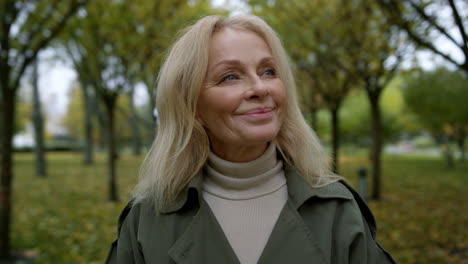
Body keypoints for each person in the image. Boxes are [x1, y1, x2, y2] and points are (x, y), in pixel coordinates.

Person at [106, 14, 395, 264]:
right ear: (192, 108)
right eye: (230, 77)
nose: (260, 88)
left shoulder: (338, 209)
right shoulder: (147, 219)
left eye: (268, 71)